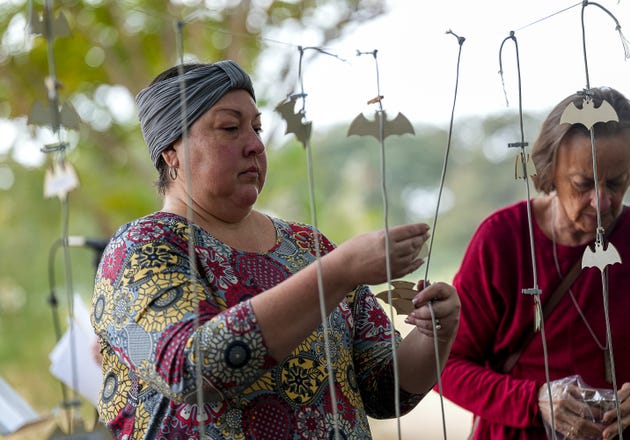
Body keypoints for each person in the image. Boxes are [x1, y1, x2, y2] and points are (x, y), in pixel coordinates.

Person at [90, 60, 460, 439]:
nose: (255, 145)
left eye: (257, 128)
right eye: (231, 128)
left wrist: (434, 335)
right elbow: (189, 370)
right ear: (172, 151)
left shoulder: (308, 246)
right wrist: (337, 272)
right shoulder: (141, 248)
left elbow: (385, 392)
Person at [440, 86, 630, 439]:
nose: (601, 201)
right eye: (583, 183)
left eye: (616, 183)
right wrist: (535, 399)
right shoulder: (502, 239)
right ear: (549, 169)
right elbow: (444, 365)